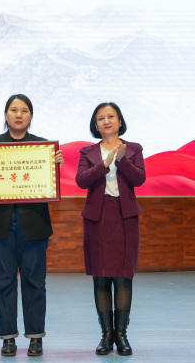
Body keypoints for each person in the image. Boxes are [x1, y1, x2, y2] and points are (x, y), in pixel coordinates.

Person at [0, 94, 64, 357]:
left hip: (33, 224)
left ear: (31, 116)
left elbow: (48, 186)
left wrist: (55, 167)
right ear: (6, 115)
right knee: (3, 282)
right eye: (13, 110)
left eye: (24, 110)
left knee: (35, 282)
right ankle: (8, 337)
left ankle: (35, 337)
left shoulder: (43, 147)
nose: (19, 114)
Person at [75, 102, 146, 356]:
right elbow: (81, 180)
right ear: (95, 125)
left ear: (120, 121)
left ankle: (121, 335)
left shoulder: (134, 149)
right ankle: (106, 335)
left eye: (111, 116)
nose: (106, 121)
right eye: (101, 118)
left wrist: (121, 159)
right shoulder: (88, 152)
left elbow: (139, 178)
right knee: (101, 276)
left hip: (125, 217)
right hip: (98, 217)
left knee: (124, 276)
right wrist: (104, 163)